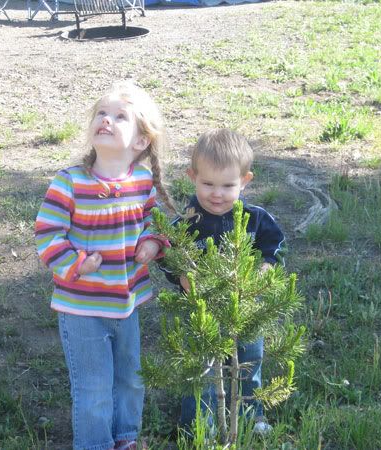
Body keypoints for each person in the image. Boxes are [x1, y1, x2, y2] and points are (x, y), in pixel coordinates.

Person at [35, 81, 175, 450]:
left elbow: (154, 221)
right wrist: (76, 264)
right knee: (94, 384)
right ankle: (95, 444)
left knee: (130, 378)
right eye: (101, 113)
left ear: (141, 141)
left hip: (126, 303)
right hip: (81, 306)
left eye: (119, 117)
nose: (106, 121)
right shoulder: (70, 183)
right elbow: (48, 235)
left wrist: (152, 242)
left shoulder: (141, 181)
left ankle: (125, 438)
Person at [161, 128, 285, 436]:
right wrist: (181, 276)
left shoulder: (256, 219)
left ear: (245, 181)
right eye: (207, 184)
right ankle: (200, 422)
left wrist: (266, 268)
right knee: (201, 367)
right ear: (192, 176)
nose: (217, 194)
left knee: (248, 361)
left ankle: (250, 413)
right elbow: (167, 255)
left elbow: (274, 245)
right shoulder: (187, 223)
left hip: (246, 309)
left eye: (228, 185)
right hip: (201, 311)